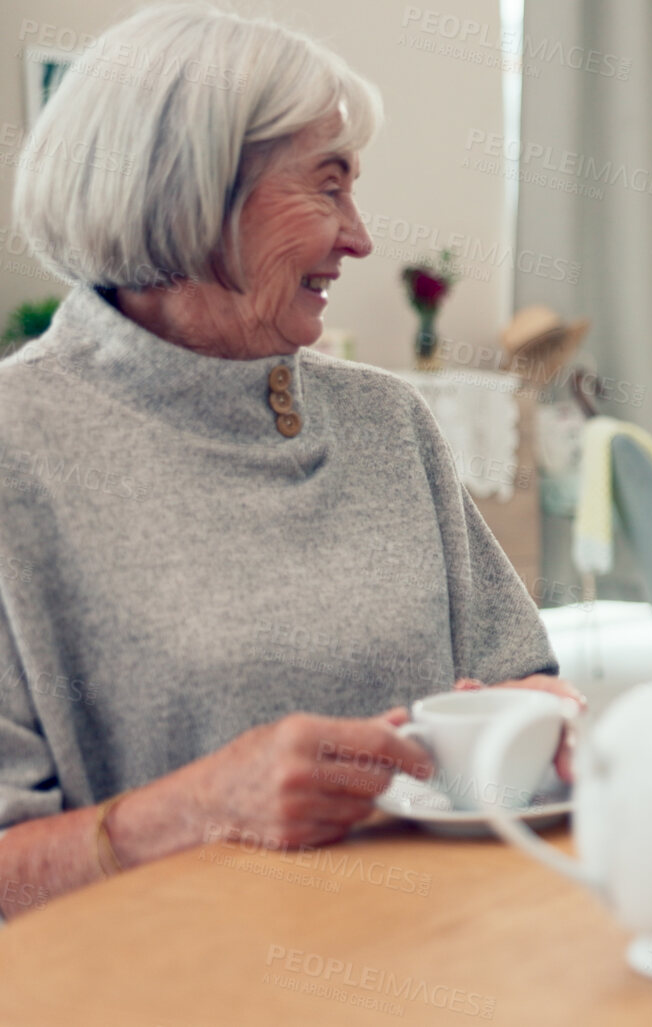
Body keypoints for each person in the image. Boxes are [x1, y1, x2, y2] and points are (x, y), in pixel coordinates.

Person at [0, 6, 575, 917]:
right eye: (327, 187)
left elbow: (519, 678)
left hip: (441, 955)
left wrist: (543, 718)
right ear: (189, 192)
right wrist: (195, 807)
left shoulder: (388, 421)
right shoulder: (16, 449)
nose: (360, 237)